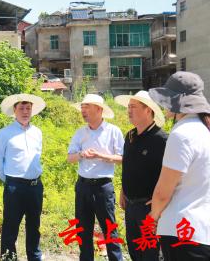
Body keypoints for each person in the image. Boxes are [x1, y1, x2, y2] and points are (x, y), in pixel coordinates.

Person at [148, 71, 210, 261]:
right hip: (202, 231)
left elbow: (163, 192)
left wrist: (153, 217)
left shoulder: (182, 134)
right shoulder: (203, 131)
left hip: (181, 232)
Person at [67, 94, 124, 261]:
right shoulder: (80, 132)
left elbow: (122, 158)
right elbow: (70, 158)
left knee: (109, 230)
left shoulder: (113, 131)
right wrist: (81, 154)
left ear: (99, 110)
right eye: (82, 108)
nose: (83, 111)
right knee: (82, 230)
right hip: (83, 186)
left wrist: (101, 155)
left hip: (103, 187)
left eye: (87, 108)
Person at [115, 91, 167, 261]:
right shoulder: (129, 136)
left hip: (149, 208)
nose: (129, 111)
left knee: (151, 253)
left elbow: (171, 174)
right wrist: (123, 190)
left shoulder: (161, 140)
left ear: (148, 110)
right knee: (134, 250)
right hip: (130, 205)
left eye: (134, 107)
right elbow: (128, 165)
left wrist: (162, 201)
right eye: (128, 107)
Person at [0, 93, 46, 261]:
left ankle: (34, 257)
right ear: (14, 111)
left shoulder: (37, 132)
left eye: (28, 108)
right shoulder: (5, 133)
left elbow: (38, 157)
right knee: (10, 227)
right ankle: (9, 258)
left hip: (35, 186)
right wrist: (11, 181)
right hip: (14, 187)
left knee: (34, 226)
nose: (25, 112)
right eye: (21, 108)